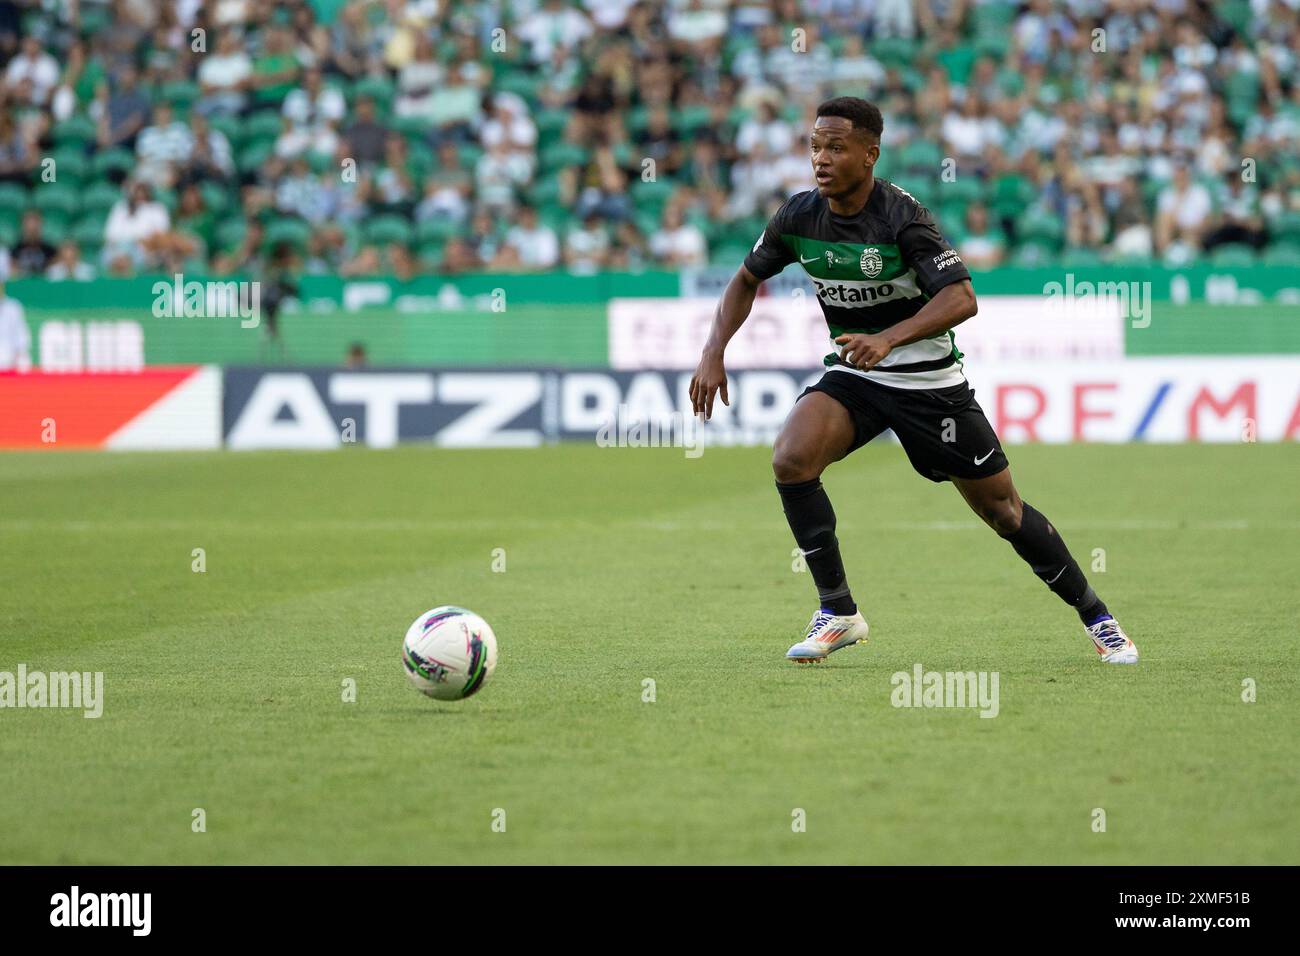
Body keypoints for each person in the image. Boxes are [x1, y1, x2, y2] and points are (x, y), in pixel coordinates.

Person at [688, 97, 1137, 665]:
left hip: (931, 386)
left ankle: (1098, 616)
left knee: (1005, 513)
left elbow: (962, 298)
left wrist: (889, 338)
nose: (820, 158)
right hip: (858, 377)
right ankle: (838, 612)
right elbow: (745, 279)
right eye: (815, 146)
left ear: (870, 154)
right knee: (791, 459)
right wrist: (713, 352)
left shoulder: (902, 218)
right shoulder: (798, 216)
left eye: (836, 147)